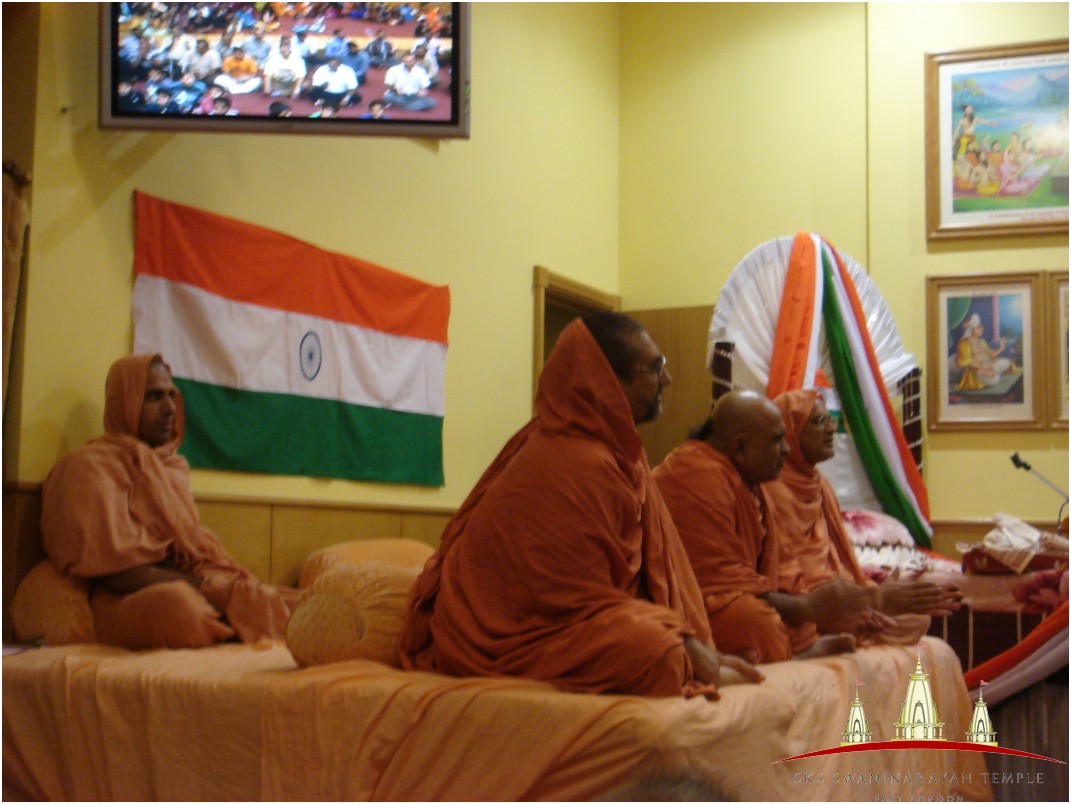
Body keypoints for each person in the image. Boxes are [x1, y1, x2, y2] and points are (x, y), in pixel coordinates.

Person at [399, 315, 762, 697]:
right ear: (603, 378)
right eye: (654, 369)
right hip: (507, 636)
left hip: (567, 621)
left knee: (672, 640)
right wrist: (684, 643)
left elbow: (623, 588)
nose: (666, 380)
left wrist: (691, 642)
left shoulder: (619, 453)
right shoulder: (572, 460)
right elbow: (567, 603)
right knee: (659, 651)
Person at [41, 355, 300, 649]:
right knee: (180, 607)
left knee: (291, 599)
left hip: (188, 582)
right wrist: (211, 590)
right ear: (123, 401)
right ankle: (230, 626)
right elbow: (117, 573)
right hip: (127, 598)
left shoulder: (171, 468)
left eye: (171, 396)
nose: (169, 409)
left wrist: (225, 588)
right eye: (153, 397)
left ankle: (246, 624)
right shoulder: (88, 467)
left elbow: (190, 554)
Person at [653, 390, 886, 665]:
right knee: (754, 620)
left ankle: (794, 649)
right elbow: (716, 580)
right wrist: (811, 606)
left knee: (791, 616)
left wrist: (821, 604)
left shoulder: (753, 484)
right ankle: (789, 655)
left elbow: (783, 571)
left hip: (741, 595)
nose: (786, 450)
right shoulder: (698, 476)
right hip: (691, 604)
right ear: (740, 449)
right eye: (778, 441)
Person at [765, 389, 961, 645]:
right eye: (818, 422)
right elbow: (785, 573)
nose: (831, 429)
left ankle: (851, 624)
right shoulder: (772, 489)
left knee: (915, 620)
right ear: (790, 432)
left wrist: (866, 596)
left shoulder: (821, 485)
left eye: (830, 420)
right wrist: (866, 601)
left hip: (837, 594)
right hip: (805, 601)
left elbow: (839, 561)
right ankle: (835, 630)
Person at [954, 312, 1016, 390]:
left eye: (981, 327)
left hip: (989, 365)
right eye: (979, 327)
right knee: (995, 380)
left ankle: (992, 373)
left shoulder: (981, 341)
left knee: (1007, 362)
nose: (982, 329)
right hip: (976, 370)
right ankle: (992, 374)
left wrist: (1001, 348)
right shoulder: (964, 343)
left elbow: (991, 355)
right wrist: (982, 368)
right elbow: (964, 363)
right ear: (971, 329)